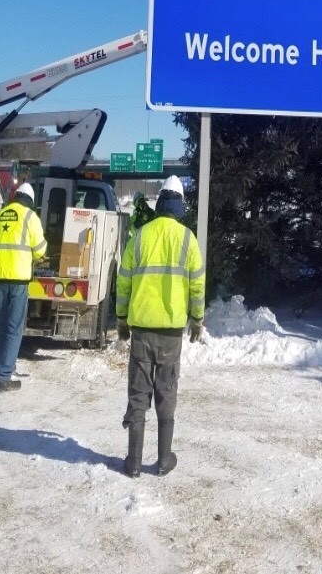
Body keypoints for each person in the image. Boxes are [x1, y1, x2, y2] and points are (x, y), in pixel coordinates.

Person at [116, 175, 205, 478]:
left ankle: (134, 462)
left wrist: (120, 318)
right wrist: (197, 318)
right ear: (180, 205)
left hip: (141, 329)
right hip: (170, 333)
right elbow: (197, 285)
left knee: (138, 393)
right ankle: (164, 460)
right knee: (167, 392)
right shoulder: (187, 239)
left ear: (159, 204)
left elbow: (124, 279)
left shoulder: (140, 236)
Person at [0, 182, 47, 391]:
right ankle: (4, 376)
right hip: (18, 280)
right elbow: (39, 250)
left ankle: (4, 367)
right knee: (13, 328)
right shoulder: (30, 217)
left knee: (0, 326)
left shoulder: (2, 214)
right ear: (30, 200)